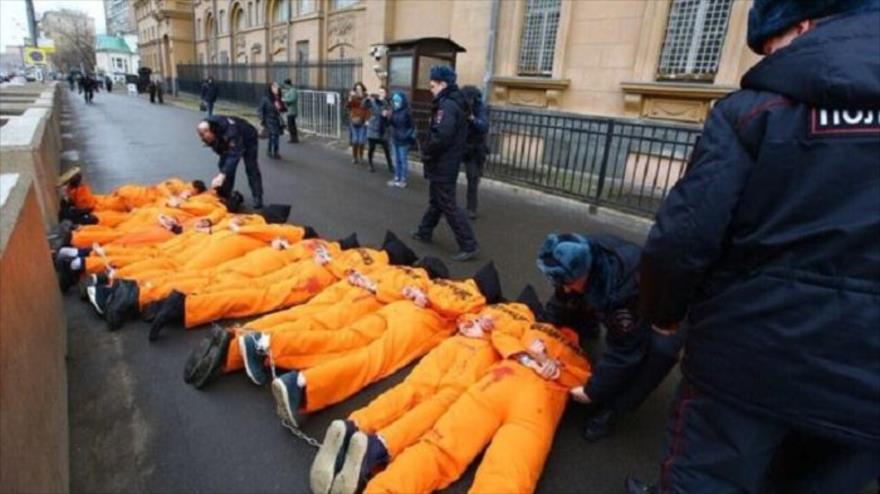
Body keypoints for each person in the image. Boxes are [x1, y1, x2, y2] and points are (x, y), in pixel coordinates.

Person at [628, 2, 880, 493]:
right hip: (866, 385)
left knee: (705, 479)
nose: (766, 60)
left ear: (802, 26)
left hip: (746, 355)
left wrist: (663, 312)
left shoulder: (754, 111)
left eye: (768, 45)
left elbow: (683, 235)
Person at [536, 233, 685, 443]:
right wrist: (542, 327)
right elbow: (562, 297)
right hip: (635, 282)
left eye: (568, 282)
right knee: (577, 298)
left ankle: (612, 412)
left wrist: (593, 391)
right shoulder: (579, 251)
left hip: (669, 304)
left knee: (659, 353)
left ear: (583, 274)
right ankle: (589, 325)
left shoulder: (622, 295)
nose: (565, 287)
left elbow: (623, 352)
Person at [411, 66, 478, 262]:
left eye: (432, 86)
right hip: (446, 162)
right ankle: (424, 231)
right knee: (437, 201)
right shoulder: (453, 102)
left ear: (443, 84)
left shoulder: (447, 105)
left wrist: (427, 151)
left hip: (443, 163)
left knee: (448, 204)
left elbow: (441, 136)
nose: (430, 89)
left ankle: (468, 244)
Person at [197, 115, 264, 209]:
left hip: (248, 138)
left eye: (207, 138)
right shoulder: (207, 124)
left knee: (251, 167)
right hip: (227, 141)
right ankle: (225, 194)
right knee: (224, 166)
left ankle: (258, 197)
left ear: (210, 131)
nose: (206, 141)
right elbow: (218, 147)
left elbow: (234, 155)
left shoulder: (231, 132)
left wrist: (222, 175)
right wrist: (223, 171)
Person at [460, 85, 489, 219]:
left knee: (472, 178)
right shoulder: (461, 105)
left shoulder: (480, 108)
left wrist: (472, 119)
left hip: (475, 149)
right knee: (447, 176)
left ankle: (471, 208)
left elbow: (483, 126)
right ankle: (443, 206)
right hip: (461, 146)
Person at [386, 91, 415, 188]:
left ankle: (403, 179)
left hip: (404, 140)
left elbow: (412, 127)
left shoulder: (407, 112)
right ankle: (396, 177)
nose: (396, 103)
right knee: (396, 159)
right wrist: (388, 117)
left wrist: (406, 135)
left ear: (402, 101)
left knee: (403, 160)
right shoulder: (393, 111)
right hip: (395, 138)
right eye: (394, 101)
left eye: (398, 100)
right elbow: (390, 124)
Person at [363, 87, 393, 174]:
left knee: (387, 149)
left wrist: (387, 114)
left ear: (385, 93)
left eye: (382, 92)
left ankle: (390, 166)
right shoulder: (373, 101)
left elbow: (391, 116)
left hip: (383, 130)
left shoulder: (388, 103)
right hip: (373, 129)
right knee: (371, 148)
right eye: (379, 92)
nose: (381, 94)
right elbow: (364, 106)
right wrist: (366, 99)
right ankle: (370, 164)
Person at [259, 82, 286, 160]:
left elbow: (283, 110)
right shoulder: (265, 98)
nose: (276, 89)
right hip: (269, 120)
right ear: (270, 89)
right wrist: (262, 119)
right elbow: (260, 110)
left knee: (273, 136)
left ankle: (270, 150)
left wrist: (281, 107)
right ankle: (275, 152)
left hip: (277, 120)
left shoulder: (278, 98)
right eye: (274, 87)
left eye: (277, 87)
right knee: (274, 136)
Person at [347, 82, 370, 165]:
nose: (358, 90)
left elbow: (368, 109)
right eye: (357, 89)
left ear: (363, 89)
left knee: (361, 141)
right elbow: (348, 107)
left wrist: (367, 119)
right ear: (355, 90)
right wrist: (350, 98)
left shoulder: (366, 97)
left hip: (363, 122)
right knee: (355, 140)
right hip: (354, 121)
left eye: (360, 88)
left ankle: (361, 157)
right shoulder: (353, 97)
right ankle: (354, 157)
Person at [282, 79, 299, 144]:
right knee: (291, 125)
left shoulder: (293, 90)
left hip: (292, 110)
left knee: (291, 125)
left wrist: (284, 100)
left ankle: (294, 138)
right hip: (289, 110)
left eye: (285, 85)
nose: (284, 86)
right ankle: (293, 138)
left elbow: (293, 99)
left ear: (287, 84)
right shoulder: (289, 90)